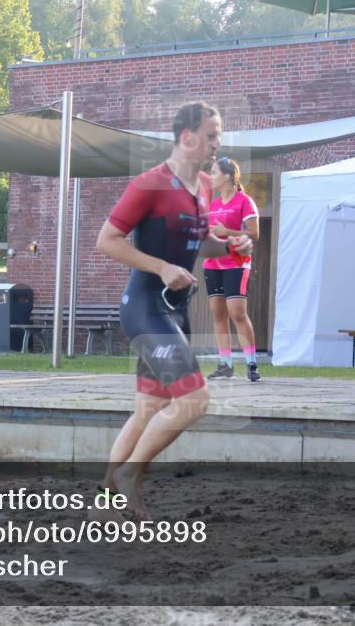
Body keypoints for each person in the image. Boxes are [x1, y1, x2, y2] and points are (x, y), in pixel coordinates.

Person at [96, 102, 253, 519]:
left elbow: (200, 244)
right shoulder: (150, 185)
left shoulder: (203, 186)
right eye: (212, 134)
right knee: (193, 400)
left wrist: (234, 245)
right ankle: (131, 475)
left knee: (147, 410)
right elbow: (107, 240)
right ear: (188, 137)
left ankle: (106, 503)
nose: (218, 144)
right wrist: (161, 267)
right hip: (146, 307)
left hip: (175, 310)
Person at [204, 156, 262, 382]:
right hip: (212, 264)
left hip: (236, 263)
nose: (211, 177)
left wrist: (226, 231)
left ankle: (251, 364)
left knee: (237, 313)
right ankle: (225, 364)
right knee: (218, 314)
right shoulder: (212, 205)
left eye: (214, 173)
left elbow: (254, 234)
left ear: (228, 177)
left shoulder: (244, 201)